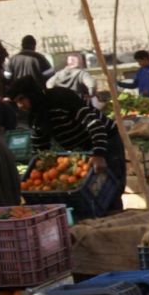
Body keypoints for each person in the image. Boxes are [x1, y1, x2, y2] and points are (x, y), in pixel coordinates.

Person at [8, 75, 125, 211]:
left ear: (32, 94)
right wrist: (37, 169)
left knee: (110, 188)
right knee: (92, 191)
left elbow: (93, 124)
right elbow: (39, 147)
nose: (20, 105)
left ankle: (115, 215)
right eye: (16, 102)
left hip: (105, 139)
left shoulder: (61, 98)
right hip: (83, 149)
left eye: (22, 99)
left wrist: (99, 154)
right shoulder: (36, 116)